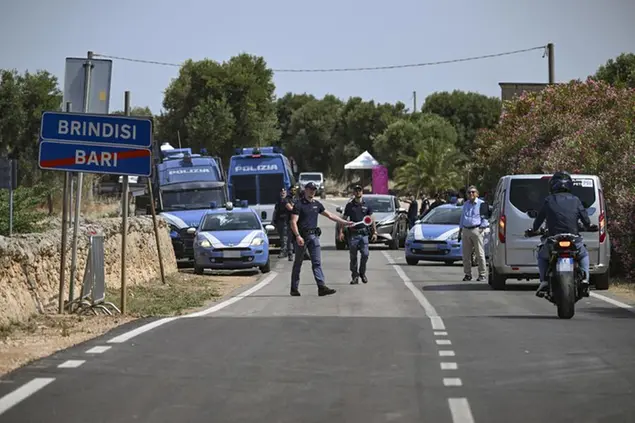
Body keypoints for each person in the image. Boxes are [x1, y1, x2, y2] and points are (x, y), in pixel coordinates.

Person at [530, 171, 595, 296]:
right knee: (583, 255)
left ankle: (543, 281)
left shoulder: (548, 200)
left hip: (553, 239)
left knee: (542, 257)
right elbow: (585, 218)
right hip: (573, 238)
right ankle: (586, 279)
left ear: (553, 186)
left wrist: (534, 229)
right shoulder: (576, 200)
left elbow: (539, 219)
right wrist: (589, 226)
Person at [289, 181, 353, 296]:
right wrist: (298, 236)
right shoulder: (299, 205)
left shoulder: (317, 204)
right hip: (302, 237)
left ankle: (321, 287)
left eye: (314, 189)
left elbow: (330, 215)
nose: (312, 191)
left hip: (314, 236)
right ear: (305, 190)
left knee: (317, 262)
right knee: (298, 263)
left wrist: (346, 222)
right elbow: (293, 221)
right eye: (310, 189)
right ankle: (294, 288)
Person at [339, 184, 377, 285]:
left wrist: (374, 232)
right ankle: (355, 276)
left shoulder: (367, 205)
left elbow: (372, 219)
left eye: (359, 190)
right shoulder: (350, 205)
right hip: (353, 234)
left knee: (365, 254)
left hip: (364, 234)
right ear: (353, 193)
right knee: (353, 257)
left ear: (362, 192)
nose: (358, 192)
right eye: (356, 190)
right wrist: (341, 232)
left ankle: (362, 273)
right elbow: (344, 219)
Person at [458, 185, 489, 281]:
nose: (471, 194)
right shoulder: (466, 204)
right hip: (466, 230)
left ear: (477, 194)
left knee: (479, 254)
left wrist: (482, 228)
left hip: (476, 230)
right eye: (469, 192)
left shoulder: (481, 203)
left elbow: (485, 217)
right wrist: (460, 230)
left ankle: (482, 274)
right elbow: (462, 217)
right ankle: (467, 274)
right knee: (466, 255)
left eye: (473, 192)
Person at [272, 187, 294, 259]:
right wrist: (273, 220)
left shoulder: (286, 200)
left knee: (285, 237)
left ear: (286, 193)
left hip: (286, 221)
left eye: (284, 192)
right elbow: (275, 211)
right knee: (283, 238)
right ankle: (288, 252)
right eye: (281, 192)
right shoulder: (279, 201)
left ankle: (286, 252)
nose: (282, 193)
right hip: (280, 221)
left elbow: (291, 209)